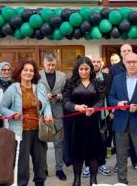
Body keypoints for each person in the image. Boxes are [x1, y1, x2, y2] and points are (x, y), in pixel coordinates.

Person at [0, 59, 52, 186]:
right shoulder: (13, 89)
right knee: (22, 165)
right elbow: (2, 108)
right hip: (20, 132)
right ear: (20, 72)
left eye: (31, 70)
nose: (28, 73)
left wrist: (48, 114)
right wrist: (12, 115)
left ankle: (40, 183)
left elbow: (46, 104)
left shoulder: (39, 87)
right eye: (25, 70)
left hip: (39, 130)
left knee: (40, 163)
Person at [108, 53, 137, 186]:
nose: (132, 64)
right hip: (121, 122)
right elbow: (110, 97)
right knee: (121, 155)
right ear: (124, 63)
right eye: (129, 62)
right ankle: (122, 182)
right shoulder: (117, 79)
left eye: (134, 62)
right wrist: (117, 104)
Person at [62, 57, 106, 186]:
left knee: (93, 151)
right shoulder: (70, 82)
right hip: (76, 123)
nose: (84, 71)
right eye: (81, 69)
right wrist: (76, 107)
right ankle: (77, 180)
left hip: (92, 122)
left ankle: (93, 180)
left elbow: (101, 101)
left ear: (91, 69)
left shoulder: (97, 82)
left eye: (86, 69)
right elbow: (65, 102)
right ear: (77, 69)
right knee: (77, 152)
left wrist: (94, 109)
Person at [110, 43, 137, 171]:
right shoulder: (114, 70)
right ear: (121, 55)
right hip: (120, 115)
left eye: (129, 50)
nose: (126, 52)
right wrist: (115, 106)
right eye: (124, 51)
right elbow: (111, 94)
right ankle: (120, 166)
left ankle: (135, 162)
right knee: (121, 146)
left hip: (136, 116)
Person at [81, 55, 112, 177]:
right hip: (89, 114)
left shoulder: (108, 77)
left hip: (104, 114)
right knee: (89, 140)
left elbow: (110, 94)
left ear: (102, 64)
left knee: (103, 139)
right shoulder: (85, 77)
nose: (95, 64)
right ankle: (88, 165)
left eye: (98, 61)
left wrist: (111, 112)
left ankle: (102, 163)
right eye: (93, 61)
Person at [38, 52, 67, 181]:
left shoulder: (62, 76)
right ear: (44, 64)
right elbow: (33, 92)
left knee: (58, 142)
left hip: (58, 112)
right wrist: (44, 97)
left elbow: (67, 93)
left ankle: (59, 168)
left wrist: (60, 96)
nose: (51, 68)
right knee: (42, 142)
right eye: (48, 65)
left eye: (53, 65)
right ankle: (43, 168)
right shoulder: (37, 75)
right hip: (42, 113)